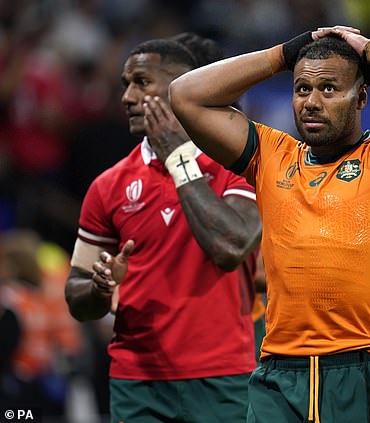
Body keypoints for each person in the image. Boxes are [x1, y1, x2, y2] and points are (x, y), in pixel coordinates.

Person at [170, 25, 370, 423]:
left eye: (330, 90)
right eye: (302, 89)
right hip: (278, 376)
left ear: (361, 98)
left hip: (365, 366)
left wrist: (369, 49)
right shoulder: (271, 155)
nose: (312, 102)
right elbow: (184, 95)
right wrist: (284, 54)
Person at [64, 37, 262, 423]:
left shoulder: (235, 164)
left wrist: (177, 157)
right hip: (137, 382)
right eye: (125, 84)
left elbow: (231, 246)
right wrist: (100, 288)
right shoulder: (108, 186)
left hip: (222, 377)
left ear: (181, 89)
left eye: (141, 82)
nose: (127, 97)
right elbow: (76, 295)